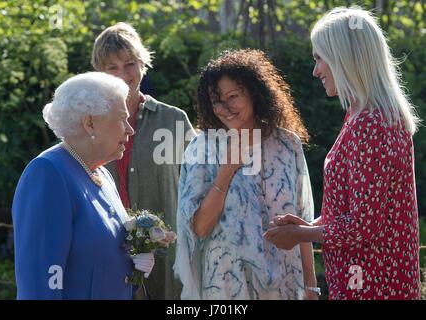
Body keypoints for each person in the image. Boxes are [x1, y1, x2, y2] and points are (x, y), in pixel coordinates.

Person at [264, 7, 422, 300]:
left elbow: (362, 227)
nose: (315, 70)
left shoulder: (370, 124)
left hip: (374, 286)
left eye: (319, 58)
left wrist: (300, 236)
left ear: (344, 57)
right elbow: (360, 208)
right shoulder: (366, 116)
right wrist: (311, 226)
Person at [174, 49, 318, 300]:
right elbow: (198, 228)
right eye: (216, 100)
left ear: (254, 93)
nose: (224, 108)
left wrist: (311, 286)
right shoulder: (202, 148)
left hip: (284, 285)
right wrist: (226, 172)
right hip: (226, 287)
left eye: (233, 96)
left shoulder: (288, 144)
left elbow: (302, 220)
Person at [12, 72, 155, 299]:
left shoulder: (101, 174)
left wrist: (134, 266)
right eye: (121, 118)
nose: (130, 129)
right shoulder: (47, 173)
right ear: (90, 123)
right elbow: (39, 284)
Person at [91, 22, 195, 300]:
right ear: (98, 74)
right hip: (107, 252)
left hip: (167, 259)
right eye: (112, 67)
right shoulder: (87, 125)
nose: (123, 75)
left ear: (143, 64)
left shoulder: (173, 121)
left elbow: (199, 186)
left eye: (130, 64)